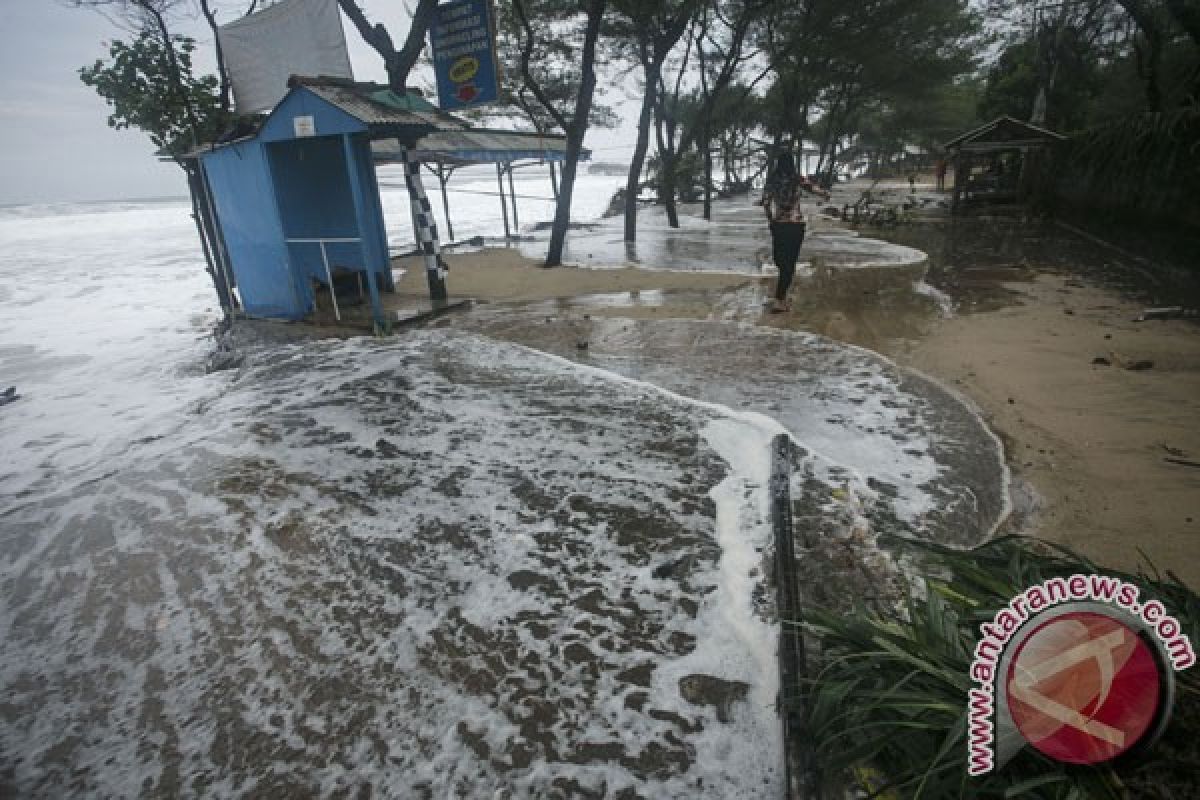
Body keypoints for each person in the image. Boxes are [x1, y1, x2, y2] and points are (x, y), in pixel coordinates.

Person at [761, 152, 827, 312]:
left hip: (779, 224)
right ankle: (780, 299)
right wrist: (825, 194)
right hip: (796, 225)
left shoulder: (772, 181)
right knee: (788, 263)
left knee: (780, 260)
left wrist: (771, 221)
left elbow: (765, 202)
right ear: (792, 163)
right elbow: (814, 189)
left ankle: (780, 299)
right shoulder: (797, 178)